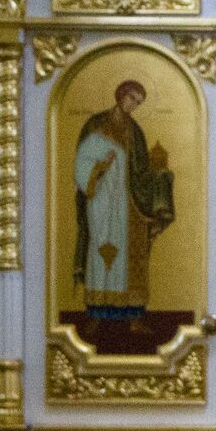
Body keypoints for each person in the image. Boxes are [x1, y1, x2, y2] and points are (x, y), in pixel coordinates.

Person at [72, 80, 175, 337]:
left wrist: (159, 177)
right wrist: (98, 168)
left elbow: (140, 173)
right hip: (101, 200)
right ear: (120, 95)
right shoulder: (96, 124)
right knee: (102, 253)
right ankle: (96, 314)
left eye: (138, 102)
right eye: (132, 98)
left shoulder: (135, 131)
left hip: (128, 204)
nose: (134, 105)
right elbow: (81, 161)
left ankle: (134, 317)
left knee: (132, 257)